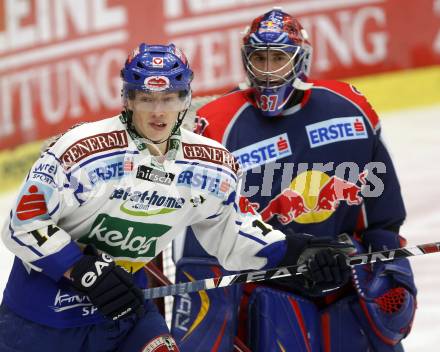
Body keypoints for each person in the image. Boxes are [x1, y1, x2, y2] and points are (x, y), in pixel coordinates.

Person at [0, 43, 353, 352]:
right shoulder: (80, 151)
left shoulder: (211, 165)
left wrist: (298, 253)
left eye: (168, 99)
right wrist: (81, 269)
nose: (158, 112)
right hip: (40, 321)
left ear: (184, 99)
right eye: (146, 99)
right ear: (128, 99)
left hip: (125, 314)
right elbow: (22, 224)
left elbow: (235, 231)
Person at [172, 9, 417, 352]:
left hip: (344, 273)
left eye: (280, 58)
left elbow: (381, 210)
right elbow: (206, 233)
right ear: (246, 60)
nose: (270, 71)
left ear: (300, 60)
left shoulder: (351, 108)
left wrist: (386, 261)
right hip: (264, 283)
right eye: (260, 58)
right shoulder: (216, 126)